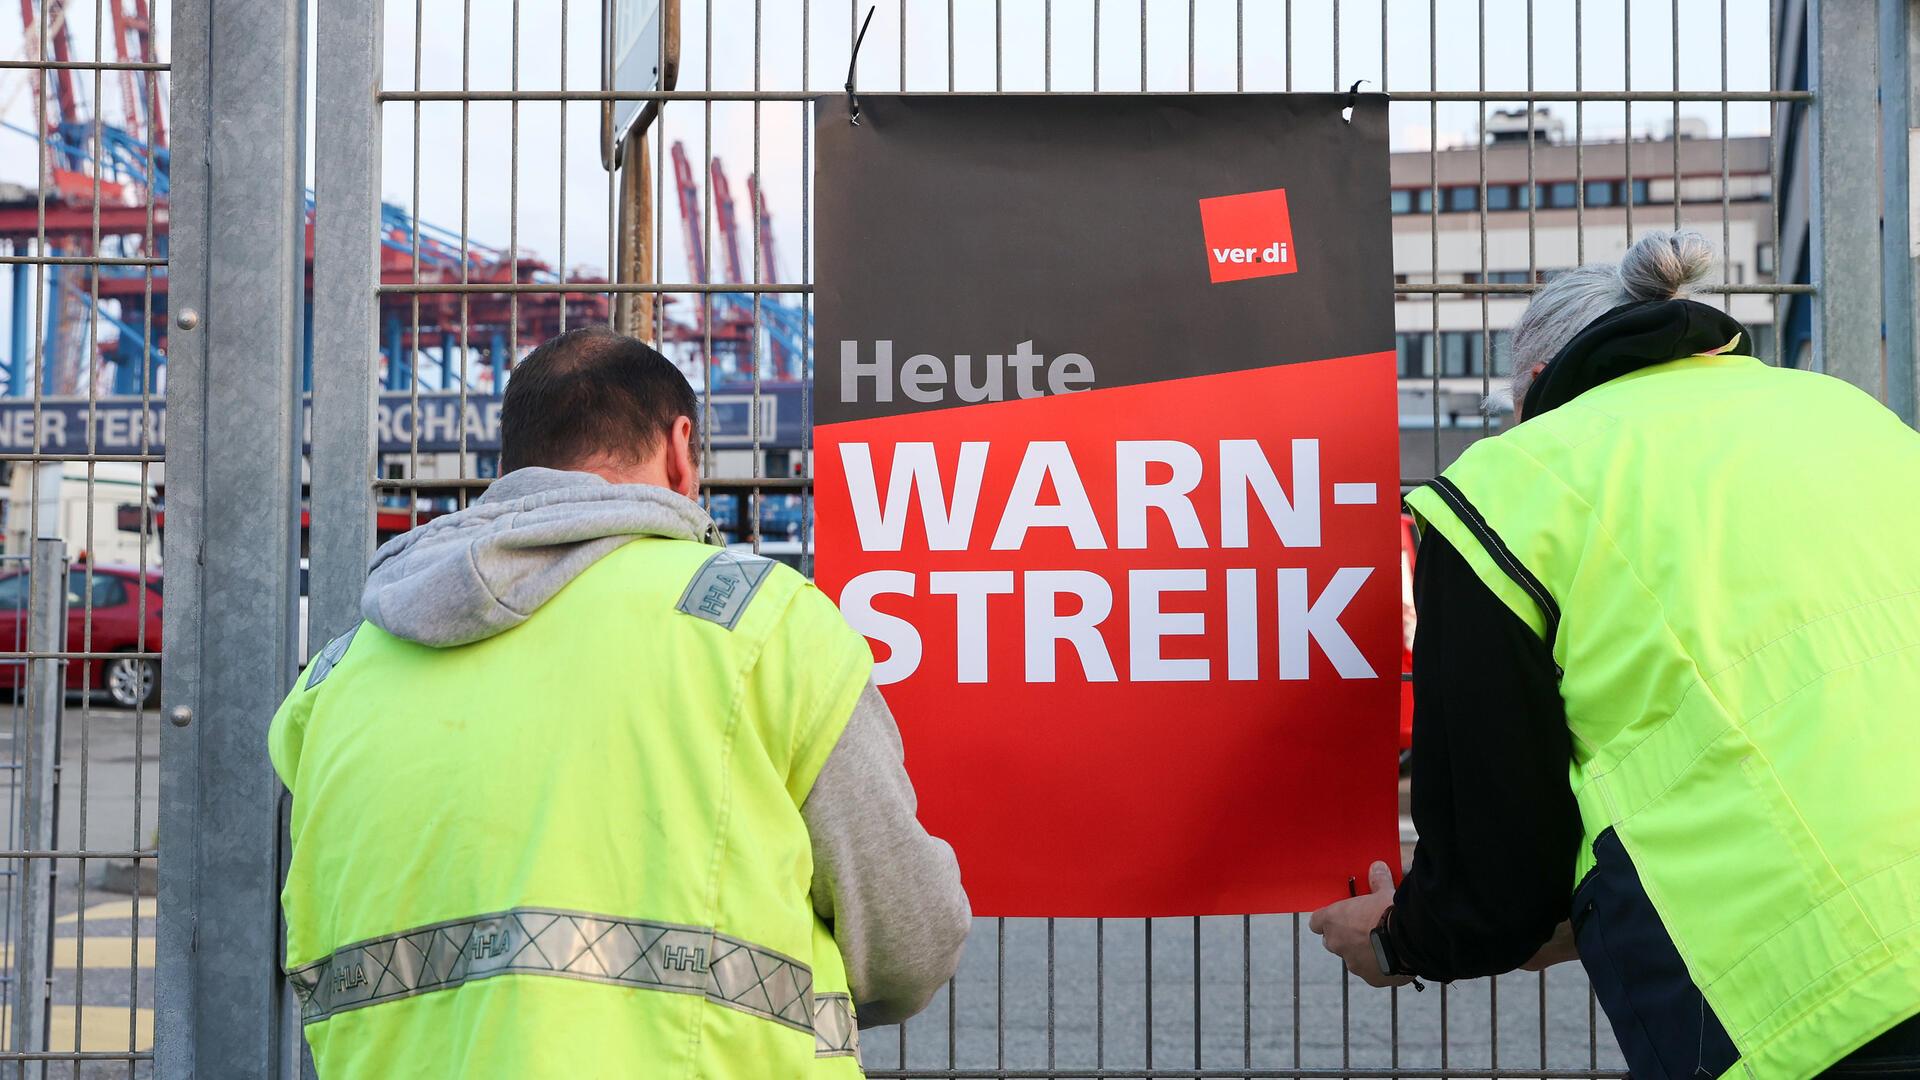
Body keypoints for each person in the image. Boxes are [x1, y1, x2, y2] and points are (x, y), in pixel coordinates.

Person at [270, 327, 970, 1079]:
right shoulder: (757, 624)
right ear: (680, 448)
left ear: (512, 465)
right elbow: (907, 937)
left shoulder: (338, 677)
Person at [1309, 231, 1920, 1079]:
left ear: (1532, 387)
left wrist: (1392, 938)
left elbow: (1499, 877)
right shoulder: (1851, 415)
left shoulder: (1505, 490)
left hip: (1803, 1005)